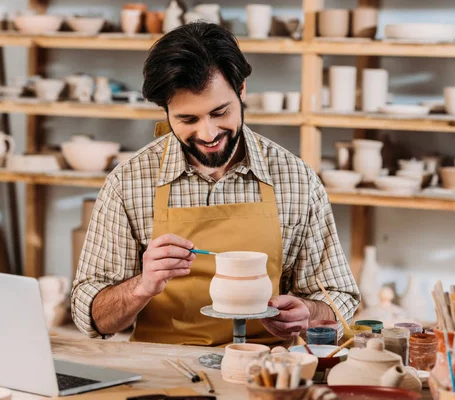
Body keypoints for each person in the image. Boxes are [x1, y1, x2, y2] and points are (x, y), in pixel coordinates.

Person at [71, 22, 360, 346]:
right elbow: (91, 317)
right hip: (163, 376)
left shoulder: (296, 180)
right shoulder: (129, 183)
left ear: (242, 90)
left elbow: (340, 298)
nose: (208, 135)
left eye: (220, 112)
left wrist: (308, 312)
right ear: (166, 110)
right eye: (187, 119)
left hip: (264, 375)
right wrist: (142, 285)